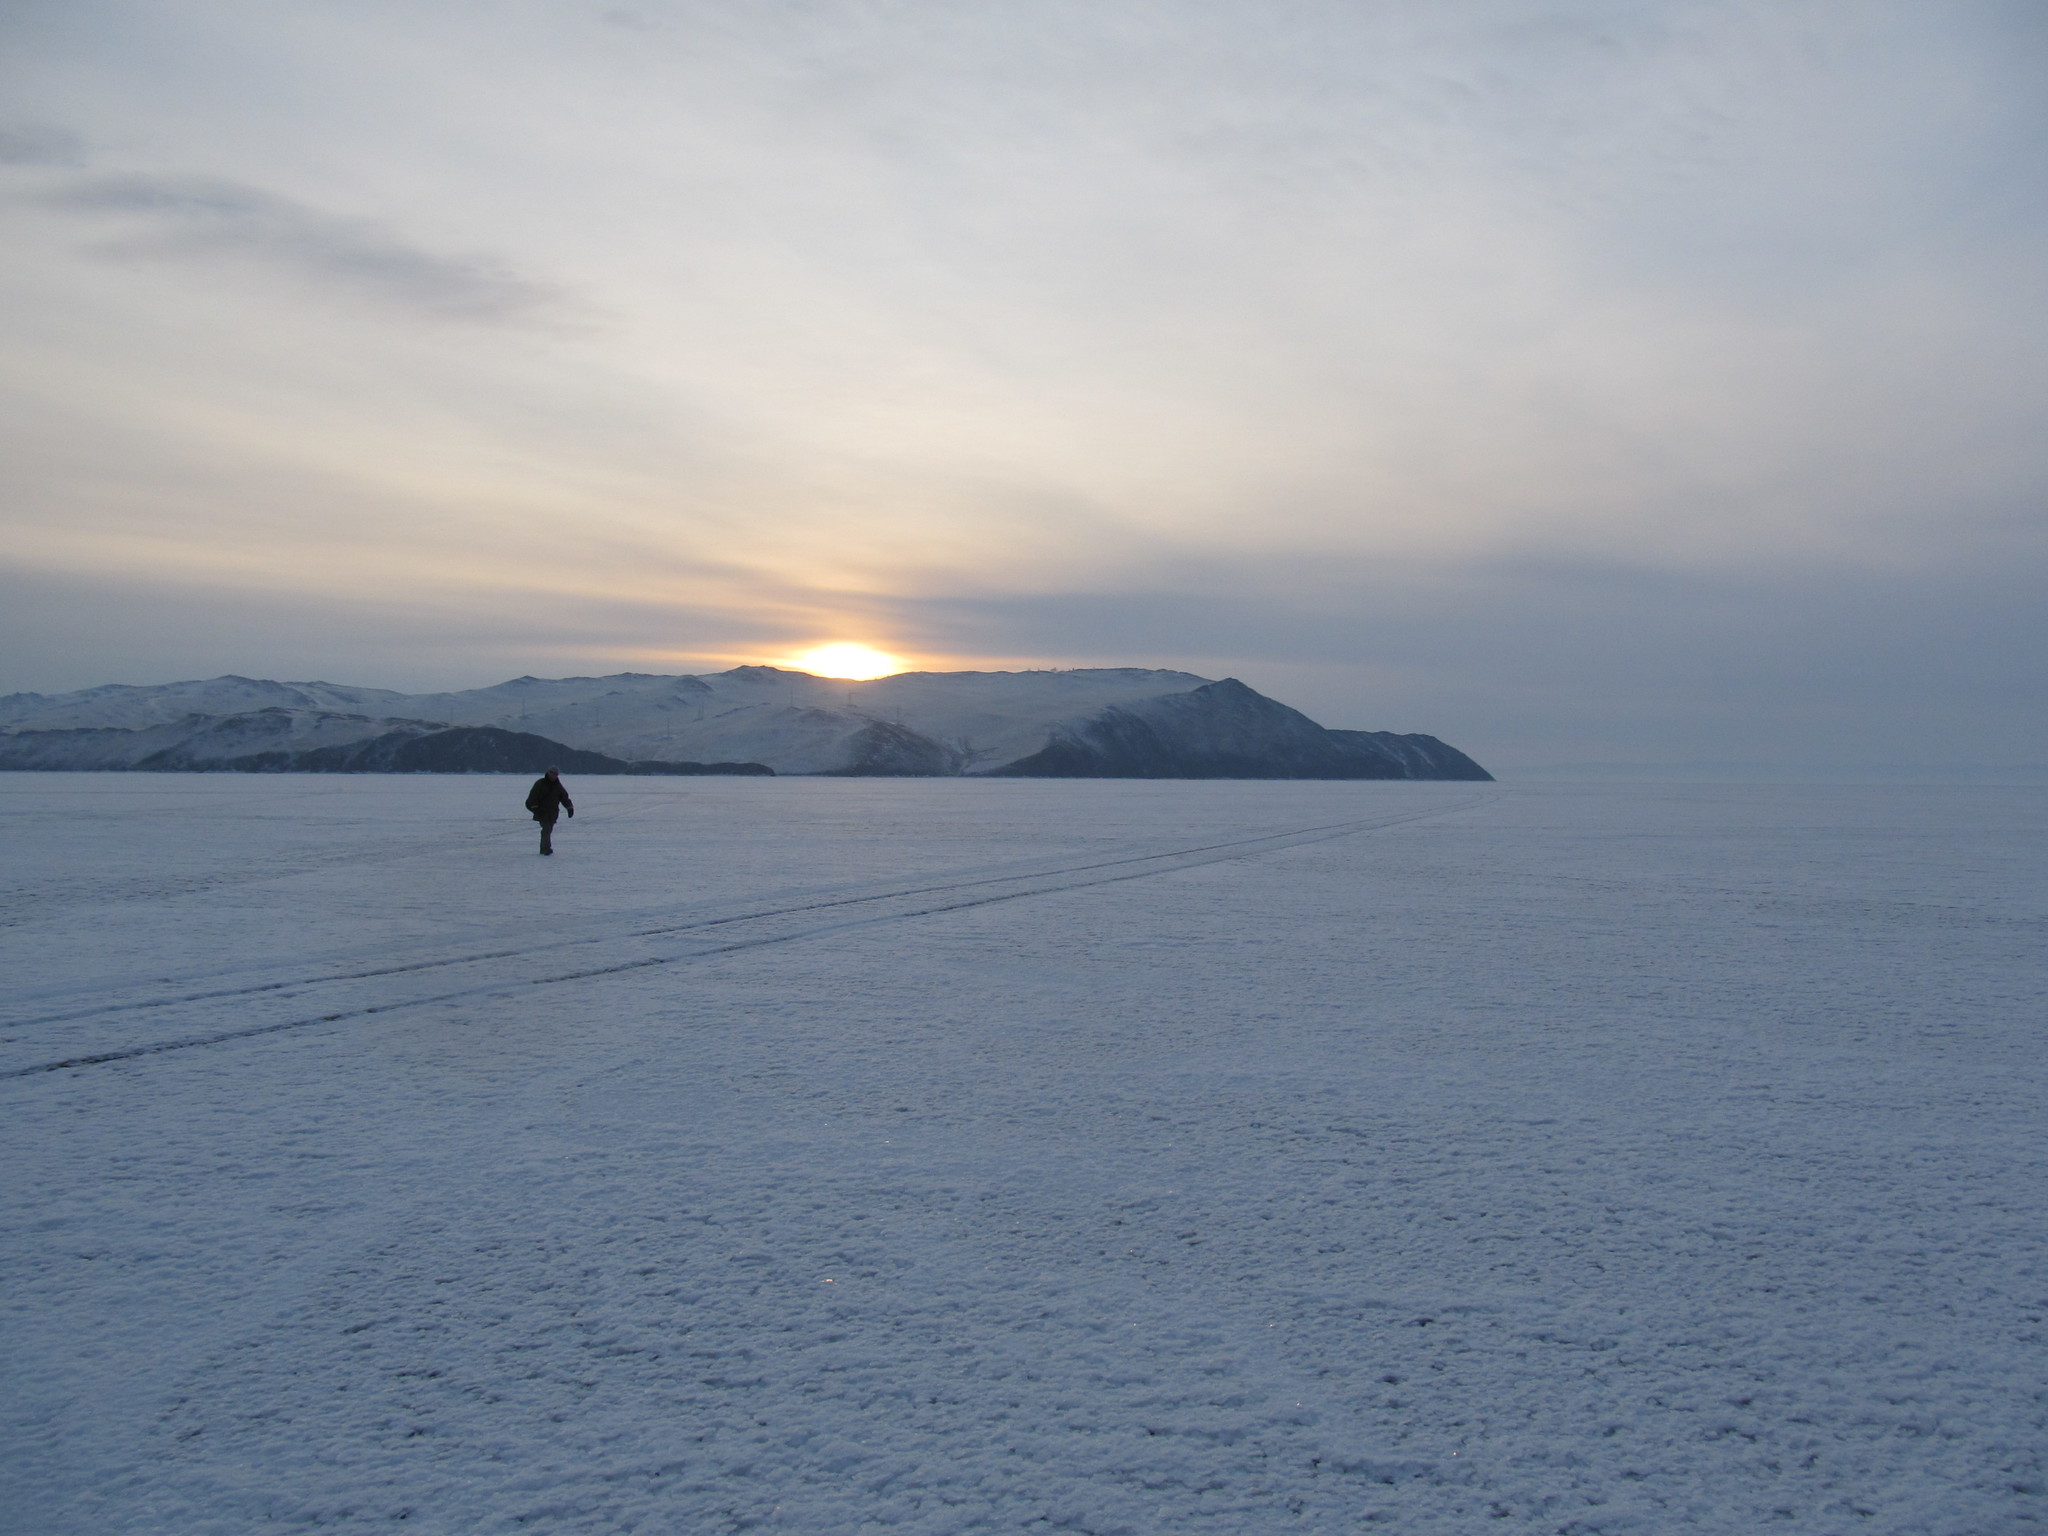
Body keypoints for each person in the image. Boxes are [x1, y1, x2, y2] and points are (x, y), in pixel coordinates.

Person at [524, 767, 574, 855]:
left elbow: (564, 797)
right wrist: (535, 809)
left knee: (549, 829)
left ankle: (544, 848)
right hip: (542, 811)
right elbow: (533, 796)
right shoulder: (540, 783)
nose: (554, 776)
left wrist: (569, 808)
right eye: (552, 773)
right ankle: (545, 848)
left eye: (556, 774)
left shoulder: (558, 785)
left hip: (553, 812)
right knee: (546, 829)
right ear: (548, 773)